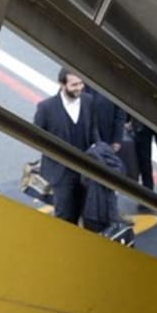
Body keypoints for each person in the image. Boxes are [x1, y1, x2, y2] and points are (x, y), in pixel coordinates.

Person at [33, 68, 101, 223]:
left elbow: (93, 130)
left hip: (85, 169)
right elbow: (36, 137)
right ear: (62, 85)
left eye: (81, 83)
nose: (79, 88)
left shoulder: (88, 101)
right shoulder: (46, 108)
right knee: (64, 215)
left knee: (86, 212)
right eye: (74, 85)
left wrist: (97, 148)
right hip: (61, 172)